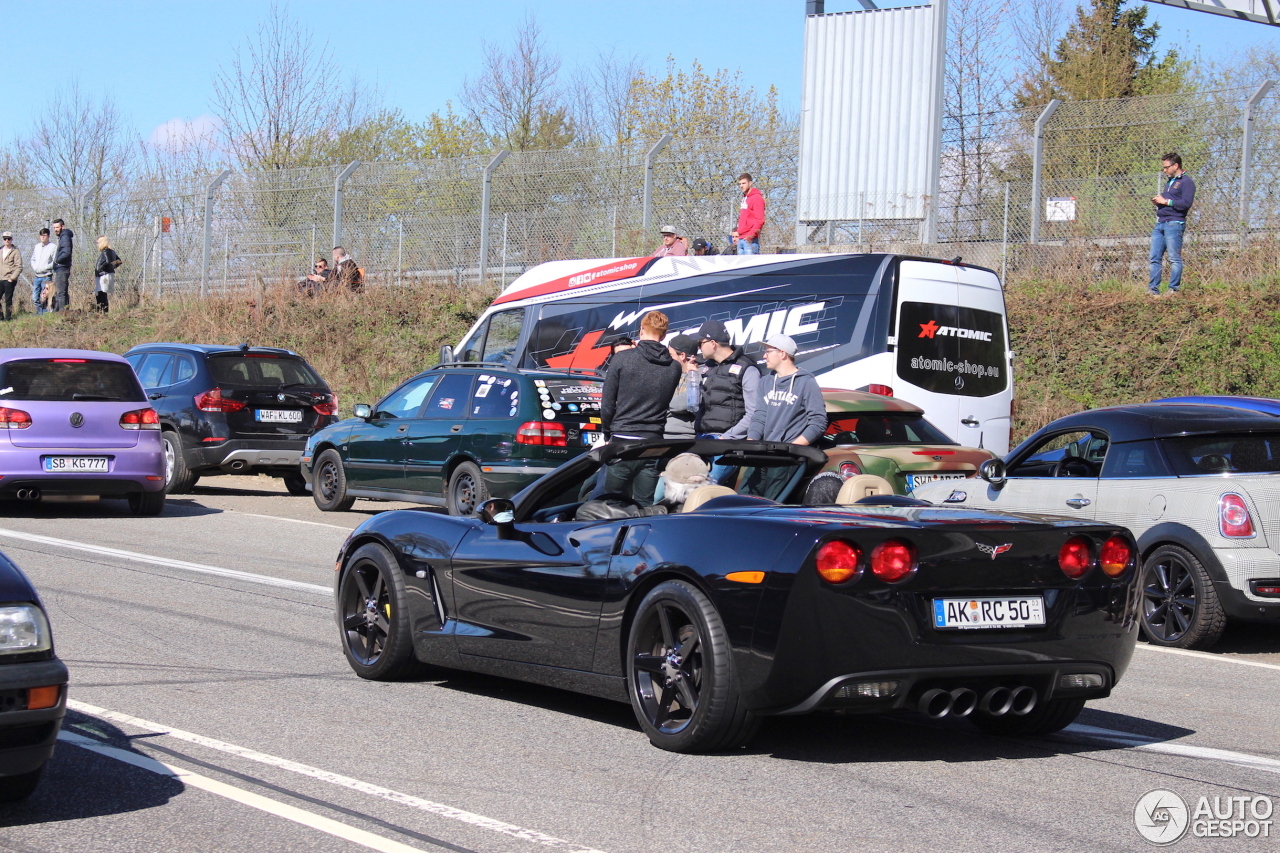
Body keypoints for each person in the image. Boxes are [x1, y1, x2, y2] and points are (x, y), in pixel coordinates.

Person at [600, 310, 682, 505]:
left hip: (622, 440)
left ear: (641, 330)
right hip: (653, 441)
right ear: (663, 335)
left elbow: (607, 403)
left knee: (612, 502)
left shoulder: (622, 359)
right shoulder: (674, 367)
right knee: (645, 504)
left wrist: (607, 432)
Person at [745, 334, 826, 497]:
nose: (764, 356)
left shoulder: (806, 382)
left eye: (768, 351)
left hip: (787, 459)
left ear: (782, 354)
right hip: (761, 454)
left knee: (770, 505)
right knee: (742, 501)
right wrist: (751, 442)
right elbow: (760, 415)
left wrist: (793, 449)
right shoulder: (765, 382)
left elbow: (818, 422)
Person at [695, 319, 760, 441]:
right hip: (702, 439)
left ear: (713, 343)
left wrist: (727, 437)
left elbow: (754, 413)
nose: (699, 349)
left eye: (700, 344)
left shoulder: (747, 368)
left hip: (728, 443)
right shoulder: (706, 367)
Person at [1150, 153, 1195, 296]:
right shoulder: (1169, 182)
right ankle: (1153, 290)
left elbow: (1186, 203)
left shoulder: (1187, 182)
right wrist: (1159, 202)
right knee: (1154, 258)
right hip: (1161, 223)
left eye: (1166, 167)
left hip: (1174, 223)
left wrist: (1167, 202)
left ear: (1176, 166)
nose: (1164, 170)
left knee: (1174, 258)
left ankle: (1173, 290)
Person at [664, 334, 702, 439]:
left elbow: (685, 404)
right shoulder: (666, 374)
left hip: (684, 437)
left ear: (682, 355)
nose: (666, 358)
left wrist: (692, 375)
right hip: (660, 435)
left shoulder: (698, 375)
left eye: (670, 354)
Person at [731, 173, 766, 255]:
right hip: (741, 238)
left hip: (750, 240)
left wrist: (750, 235)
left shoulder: (756, 198)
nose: (741, 186)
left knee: (750, 266)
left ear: (750, 183)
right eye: (740, 184)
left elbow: (760, 220)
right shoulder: (745, 198)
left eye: (744, 183)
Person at [93, 236, 122, 313]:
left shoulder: (105, 252)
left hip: (104, 275)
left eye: (98, 242)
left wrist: (100, 269)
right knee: (102, 294)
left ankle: (102, 313)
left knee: (101, 295)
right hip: (107, 274)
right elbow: (119, 261)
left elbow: (107, 261)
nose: (97, 244)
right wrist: (111, 268)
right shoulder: (111, 251)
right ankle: (103, 312)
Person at [29, 228, 55, 315]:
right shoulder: (37, 247)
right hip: (37, 276)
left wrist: (46, 267)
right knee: (35, 297)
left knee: (46, 296)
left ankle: (46, 314)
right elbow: (32, 259)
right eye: (41, 235)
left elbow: (55, 261)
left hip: (47, 275)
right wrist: (35, 267)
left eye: (44, 235)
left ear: (48, 236)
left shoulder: (53, 247)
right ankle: (39, 313)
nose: (42, 237)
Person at [52, 219, 73, 312]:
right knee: (62, 292)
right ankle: (63, 311)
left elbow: (66, 252)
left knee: (61, 293)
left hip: (62, 268)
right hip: (62, 268)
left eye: (57, 227)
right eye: (54, 227)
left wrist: (57, 261)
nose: (55, 229)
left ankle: (62, 313)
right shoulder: (63, 237)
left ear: (62, 227)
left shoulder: (65, 237)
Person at [0, 232, 22, 321]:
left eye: (9, 239)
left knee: (8, 300)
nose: (7, 240)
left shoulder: (15, 251)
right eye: (5, 239)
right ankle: (1, 316)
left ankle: (8, 318)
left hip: (9, 279)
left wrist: (12, 278)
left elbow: (19, 266)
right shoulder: (0, 250)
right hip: (0, 278)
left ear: (12, 239)